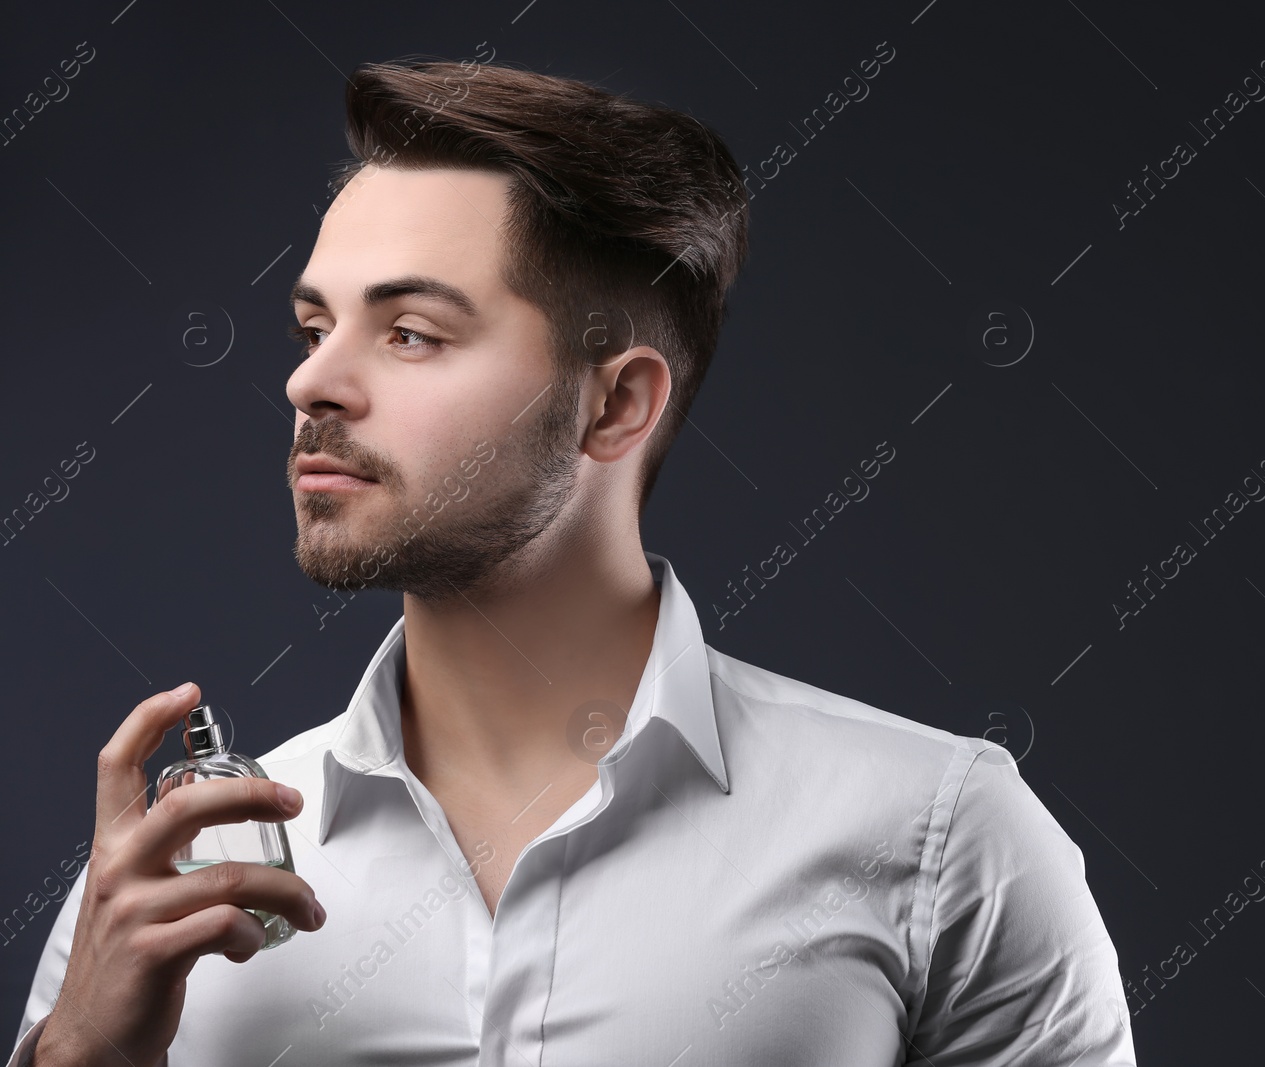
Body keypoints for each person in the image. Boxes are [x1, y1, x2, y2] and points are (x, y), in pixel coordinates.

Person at [9, 58, 1136, 1066]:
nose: (312, 383)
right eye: (315, 328)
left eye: (410, 333)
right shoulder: (168, 881)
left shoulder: (939, 839)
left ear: (615, 403)